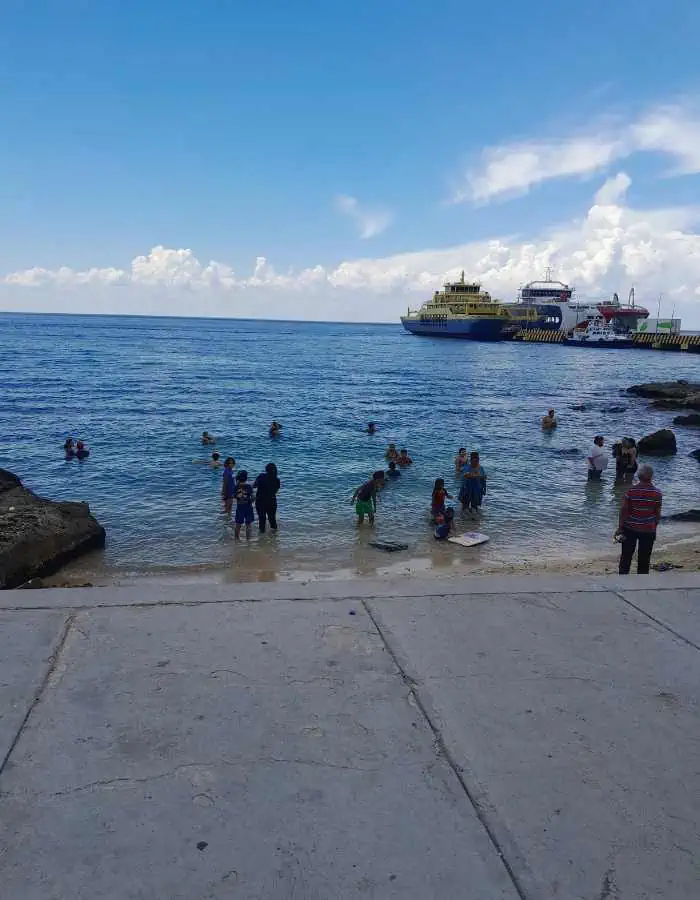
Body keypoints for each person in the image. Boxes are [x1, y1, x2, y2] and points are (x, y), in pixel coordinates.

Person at [616, 464, 662, 575]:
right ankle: (642, 583)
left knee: (626, 557)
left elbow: (624, 510)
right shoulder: (657, 493)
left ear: (639, 476)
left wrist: (620, 527)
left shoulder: (631, 491)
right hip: (648, 529)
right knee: (644, 558)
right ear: (651, 477)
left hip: (630, 528)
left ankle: (623, 580)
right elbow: (657, 513)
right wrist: (654, 526)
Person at [254, 462, 281, 533]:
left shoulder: (261, 476)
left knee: (262, 520)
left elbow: (254, 486)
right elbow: (275, 490)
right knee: (272, 519)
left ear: (266, 469)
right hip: (272, 501)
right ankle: (274, 538)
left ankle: (261, 539)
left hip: (260, 500)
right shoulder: (277, 479)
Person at [233, 470, 255, 539]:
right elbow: (253, 497)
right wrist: (251, 501)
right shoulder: (249, 486)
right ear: (246, 478)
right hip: (248, 507)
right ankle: (248, 540)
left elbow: (234, 496)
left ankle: (236, 539)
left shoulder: (236, 487)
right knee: (248, 525)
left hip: (239, 507)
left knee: (238, 524)